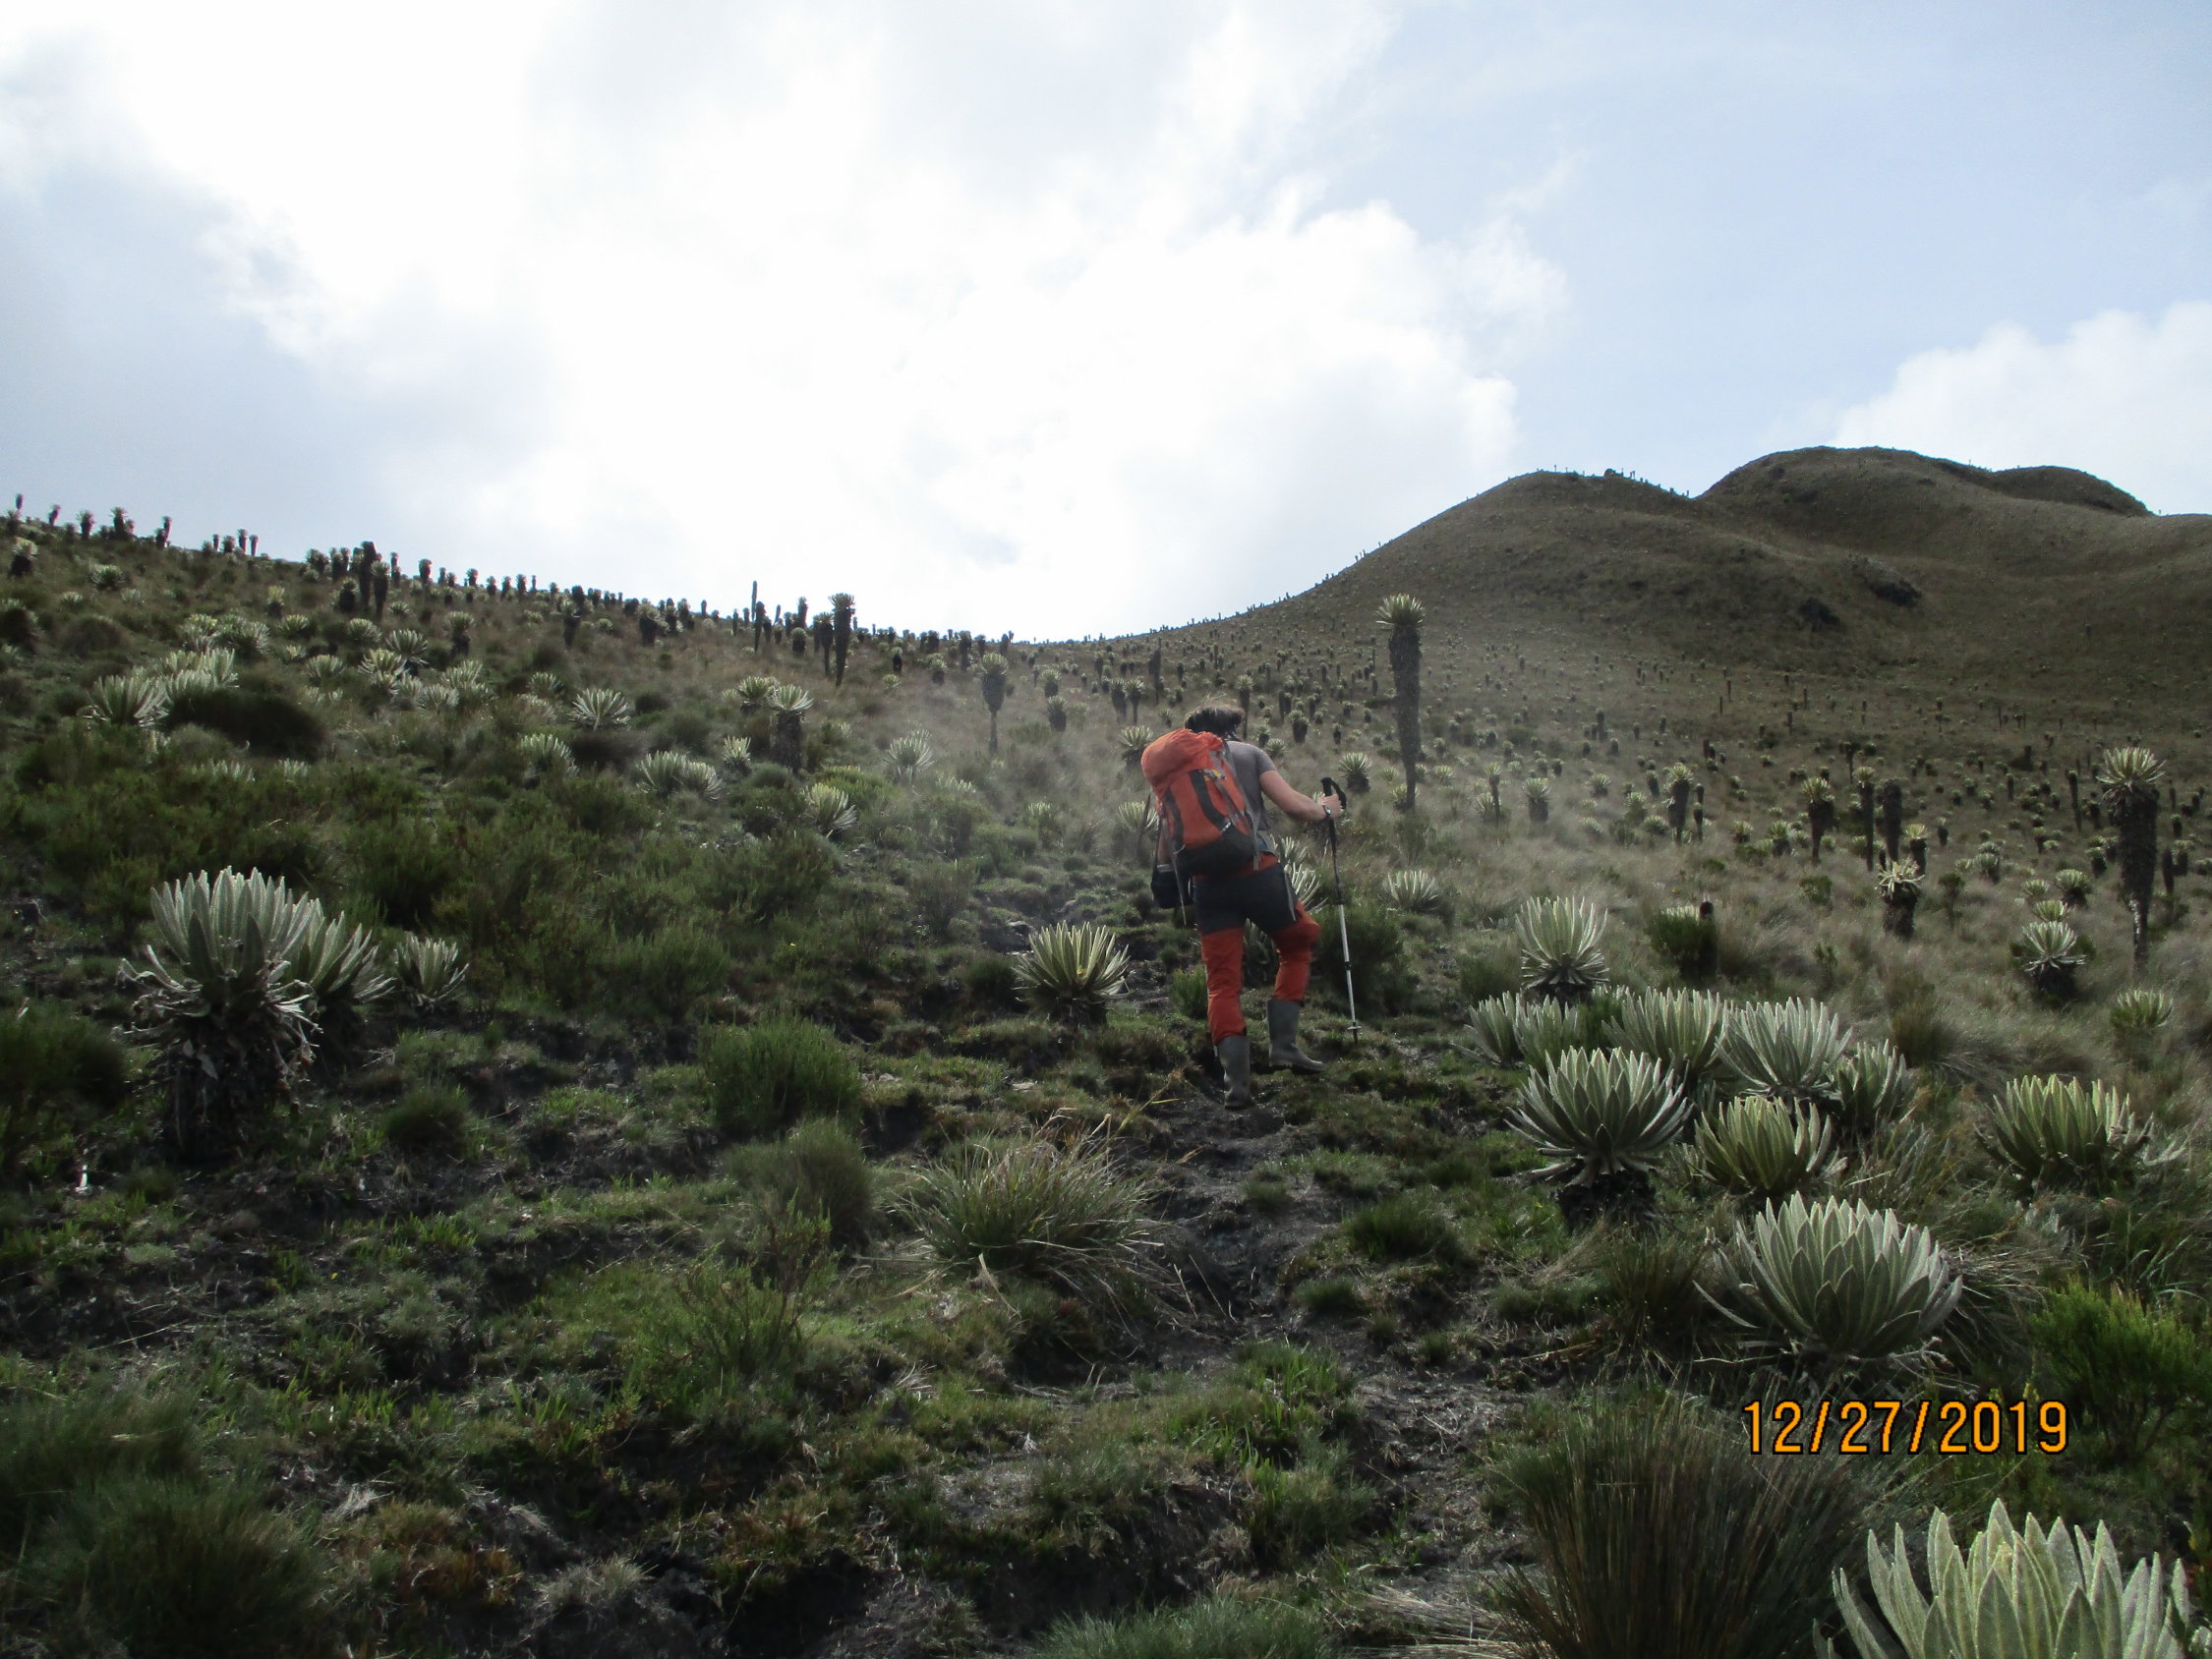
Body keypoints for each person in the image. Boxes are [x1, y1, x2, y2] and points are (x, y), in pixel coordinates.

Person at [1153, 705, 1345, 1106]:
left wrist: (1166, 882)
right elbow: (1295, 807)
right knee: (1297, 940)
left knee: (1221, 983)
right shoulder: (1248, 754)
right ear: (1231, 729)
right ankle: (1283, 1046)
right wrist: (1328, 808)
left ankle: (1237, 1086)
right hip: (1257, 871)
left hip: (1207, 886)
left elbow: (1167, 837)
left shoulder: (1177, 771)